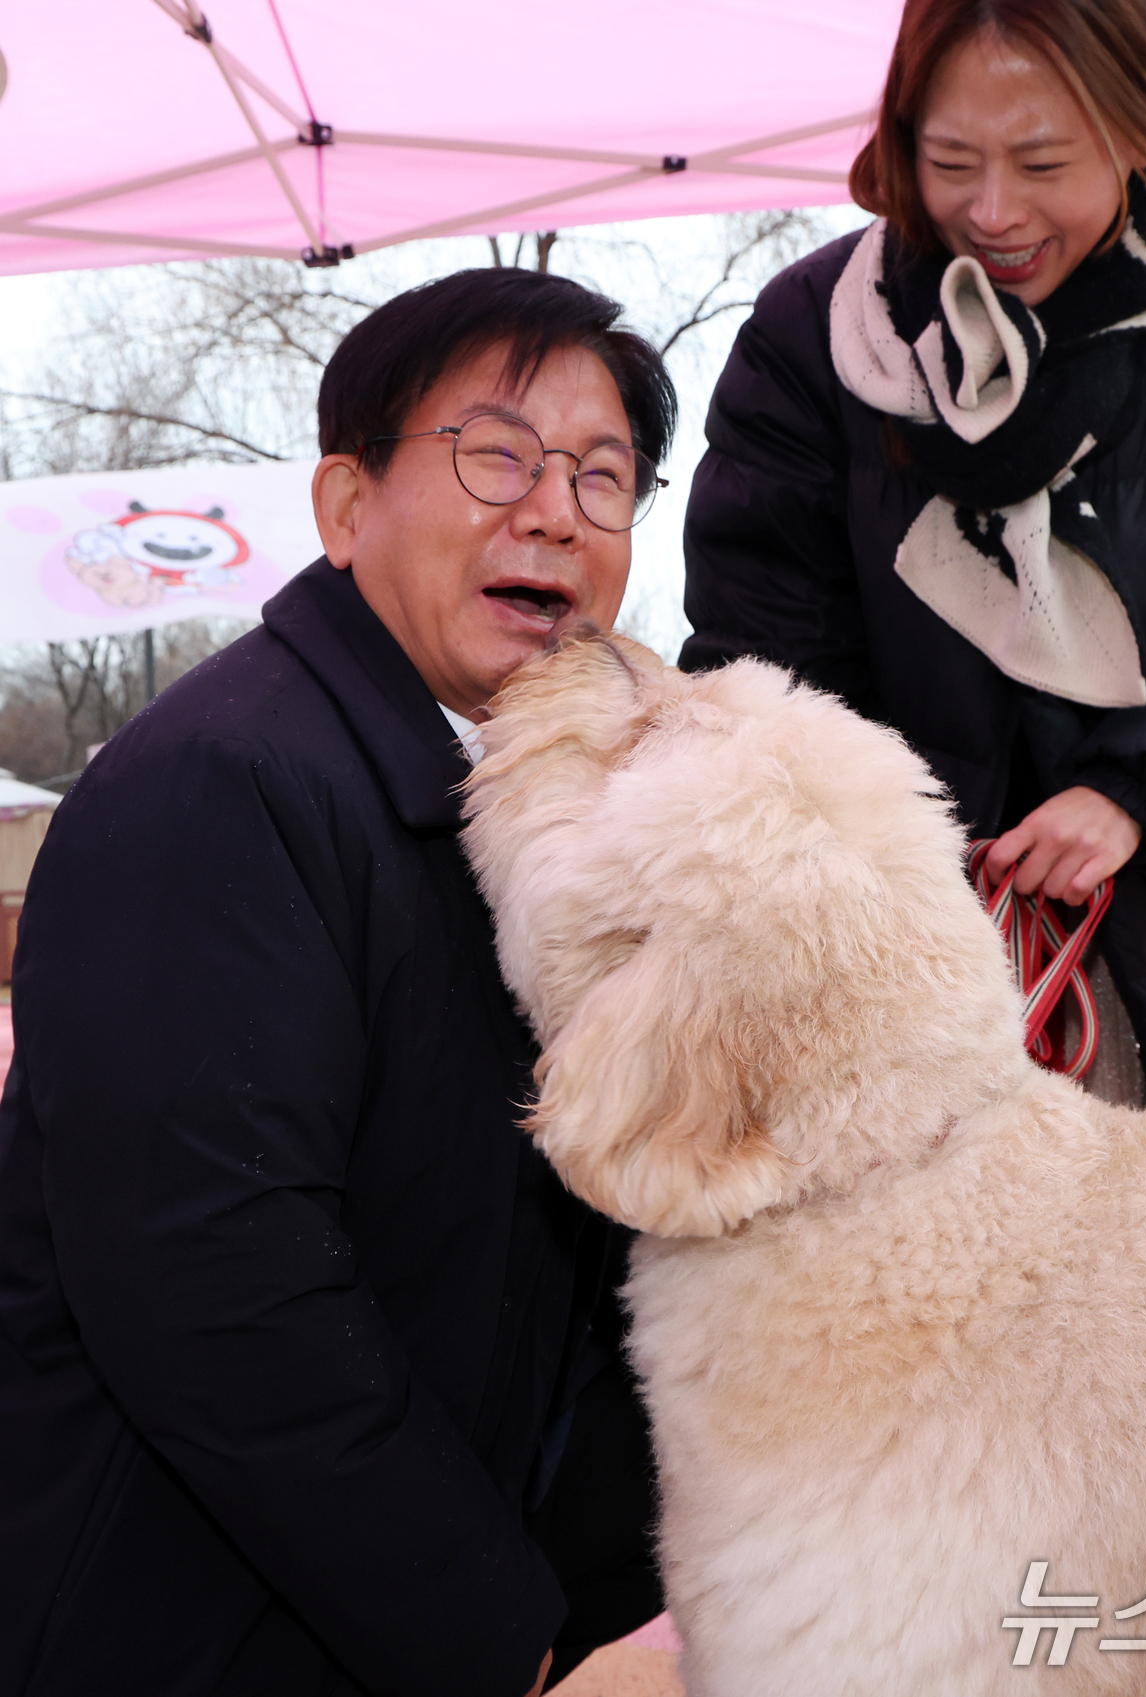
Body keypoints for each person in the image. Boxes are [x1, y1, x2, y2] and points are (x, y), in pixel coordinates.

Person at [0, 267, 675, 1697]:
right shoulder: (220, 782)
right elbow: (216, 1280)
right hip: (190, 1631)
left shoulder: (545, 805)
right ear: (346, 504)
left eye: (602, 475)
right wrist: (494, 1627)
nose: (555, 510)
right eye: (496, 454)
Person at [680, 0, 1146, 1127]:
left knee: (1125, 1240)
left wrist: (1136, 794)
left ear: (1142, 132)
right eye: (950, 161)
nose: (993, 212)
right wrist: (889, 858)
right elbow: (758, 652)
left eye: (1042, 162)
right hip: (856, 958)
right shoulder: (814, 335)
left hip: (1140, 958)